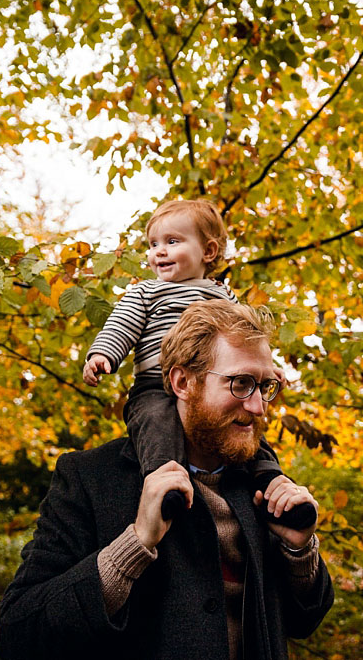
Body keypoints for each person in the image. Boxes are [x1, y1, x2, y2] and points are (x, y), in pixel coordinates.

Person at [0, 300, 334, 660]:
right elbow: (20, 635)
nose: (258, 407)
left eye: (265, 386)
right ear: (183, 382)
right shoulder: (90, 478)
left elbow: (306, 621)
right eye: (240, 384)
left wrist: (299, 552)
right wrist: (135, 543)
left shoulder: (266, 486)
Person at [82, 198, 314, 529]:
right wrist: (104, 355)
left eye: (172, 242)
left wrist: (266, 370)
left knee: (245, 424)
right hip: (155, 386)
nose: (158, 252)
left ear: (208, 251)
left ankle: (272, 483)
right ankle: (166, 484)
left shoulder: (222, 296)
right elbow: (121, 326)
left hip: (215, 389)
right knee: (155, 424)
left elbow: (247, 339)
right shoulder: (146, 294)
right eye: (153, 244)